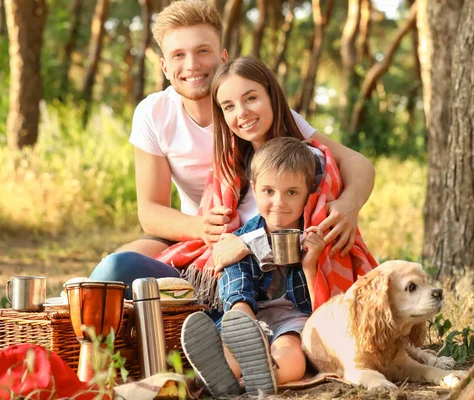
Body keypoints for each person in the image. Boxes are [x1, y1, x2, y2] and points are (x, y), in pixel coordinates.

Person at [90, 0, 376, 294]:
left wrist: (347, 206)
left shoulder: (252, 114)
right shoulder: (155, 113)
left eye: (203, 50)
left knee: (148, 280)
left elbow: (356, 163)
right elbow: (150, 211)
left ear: (222, 56)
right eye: (178, 55)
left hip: (259, 233)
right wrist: (201, 227)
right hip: (194, 231)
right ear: (164, 66)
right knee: (113, 269)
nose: (192, 65)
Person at [180, 137, 326, 397]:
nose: (279, 203)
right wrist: (241, 309)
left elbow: (321, 308)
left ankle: (266, 375)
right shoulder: (245, 238)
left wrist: (310, 265)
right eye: (269, 191)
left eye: (291, 192)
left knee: (291, 353)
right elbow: (234, 275)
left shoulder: (311, 237)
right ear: (255, 189)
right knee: (232, 344)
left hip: (293, 320)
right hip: (251, 318)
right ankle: (222, 372)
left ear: (308, 193)